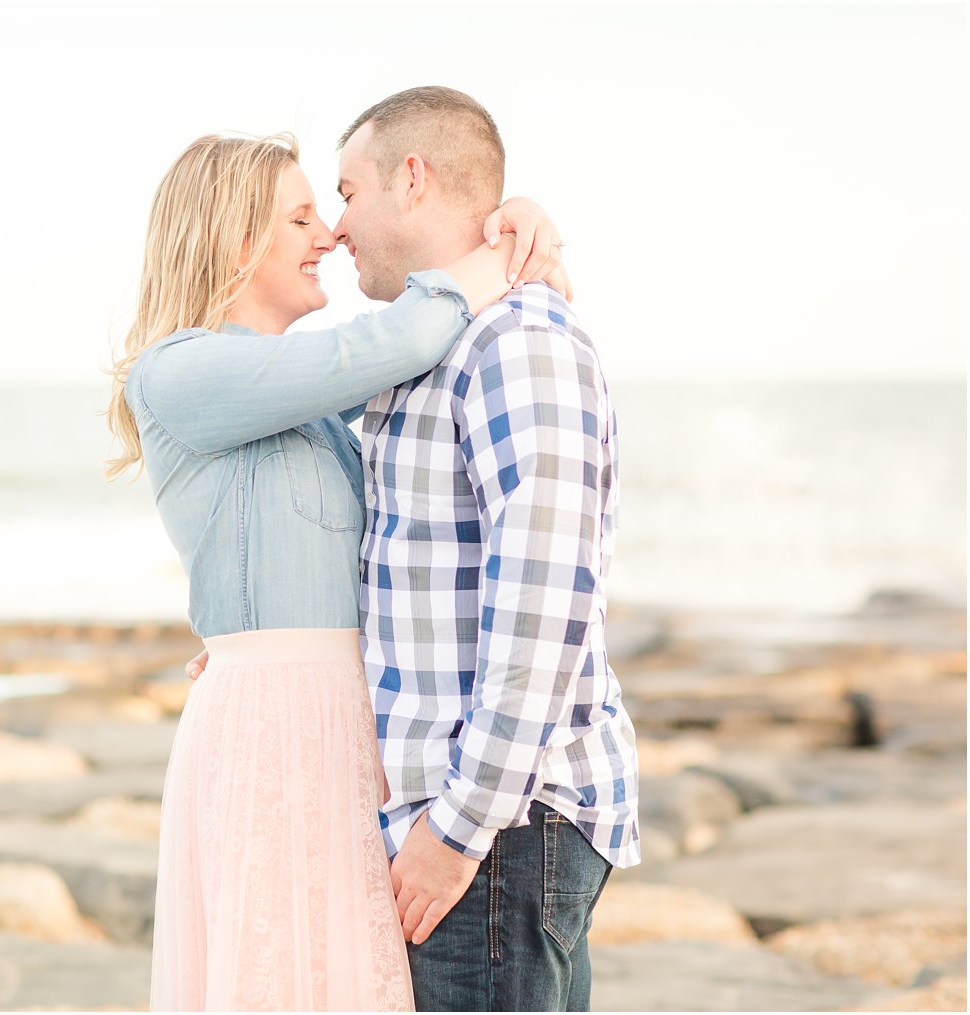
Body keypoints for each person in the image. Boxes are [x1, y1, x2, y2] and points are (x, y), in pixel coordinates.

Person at [106, 131, 568, 1011]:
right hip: (275, 728)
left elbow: (408, 369)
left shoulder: (315, 410)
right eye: (301, 216)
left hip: (349, 721)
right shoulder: (178, 371)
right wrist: (497, 253)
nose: (328, 235)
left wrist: (520, 217)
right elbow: (389, 344)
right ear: (234, 237)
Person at [335, 86, 640, 1011]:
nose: (339, 226)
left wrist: (457, 831)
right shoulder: (433, 346)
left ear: (412, 179)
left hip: (502, 829)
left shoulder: (518, 344)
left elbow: (543, 603)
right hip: (473, 824)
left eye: (347, 192)